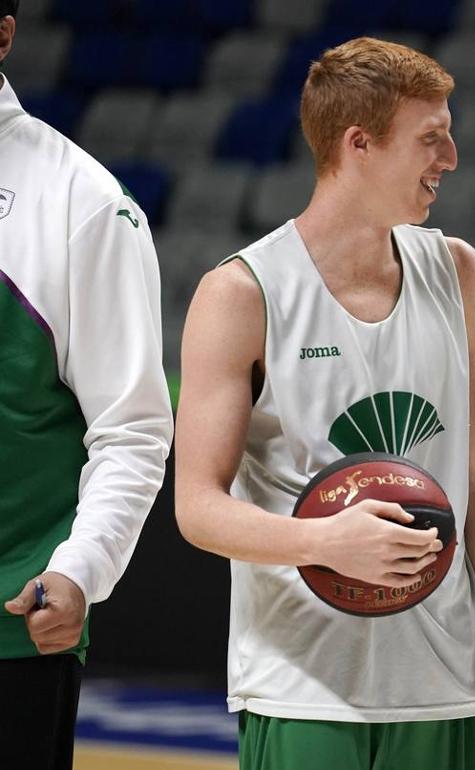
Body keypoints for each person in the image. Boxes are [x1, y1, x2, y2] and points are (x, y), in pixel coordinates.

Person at [174, 37, 475, 769]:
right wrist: (324, 542)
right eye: (432, 139)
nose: (452, 157)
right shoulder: (242, 292)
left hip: (454, 685)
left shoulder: (458, 270)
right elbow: (196, 507)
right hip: (305, 690)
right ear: (360, 145)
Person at [0, 1, 175, 768]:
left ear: (3, 36)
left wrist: (81, 569)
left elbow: (133, 428)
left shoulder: (82, 201)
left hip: (10, 633)